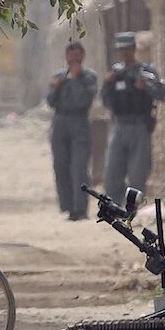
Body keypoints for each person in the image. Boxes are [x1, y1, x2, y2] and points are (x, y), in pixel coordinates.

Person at [100, 31, 165, 203]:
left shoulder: (146, 72)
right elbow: (105, 100)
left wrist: (146, 87)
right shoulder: (115, 73)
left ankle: (133, 210)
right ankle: (114, 208)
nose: (125, 52)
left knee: (137, 174)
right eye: (121, 49)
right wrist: (108, 83)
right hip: (119, 126)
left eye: (128, 48)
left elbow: (162, 94)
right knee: (112, 172)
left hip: (140, 127)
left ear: (134, 49)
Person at [46, 41, 97, 221]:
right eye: (71, 55)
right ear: (66, 57)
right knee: (61, 166)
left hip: (79, 123)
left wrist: (74, 80)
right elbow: (50, 101)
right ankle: (67, 206)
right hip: (60, 123)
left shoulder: (89, 77)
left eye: (77, 56)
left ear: (83, 57)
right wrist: (57, 87)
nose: (74, 59)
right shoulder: (58, 77)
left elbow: (83, 101)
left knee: (79, 168)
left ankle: (80, 208)